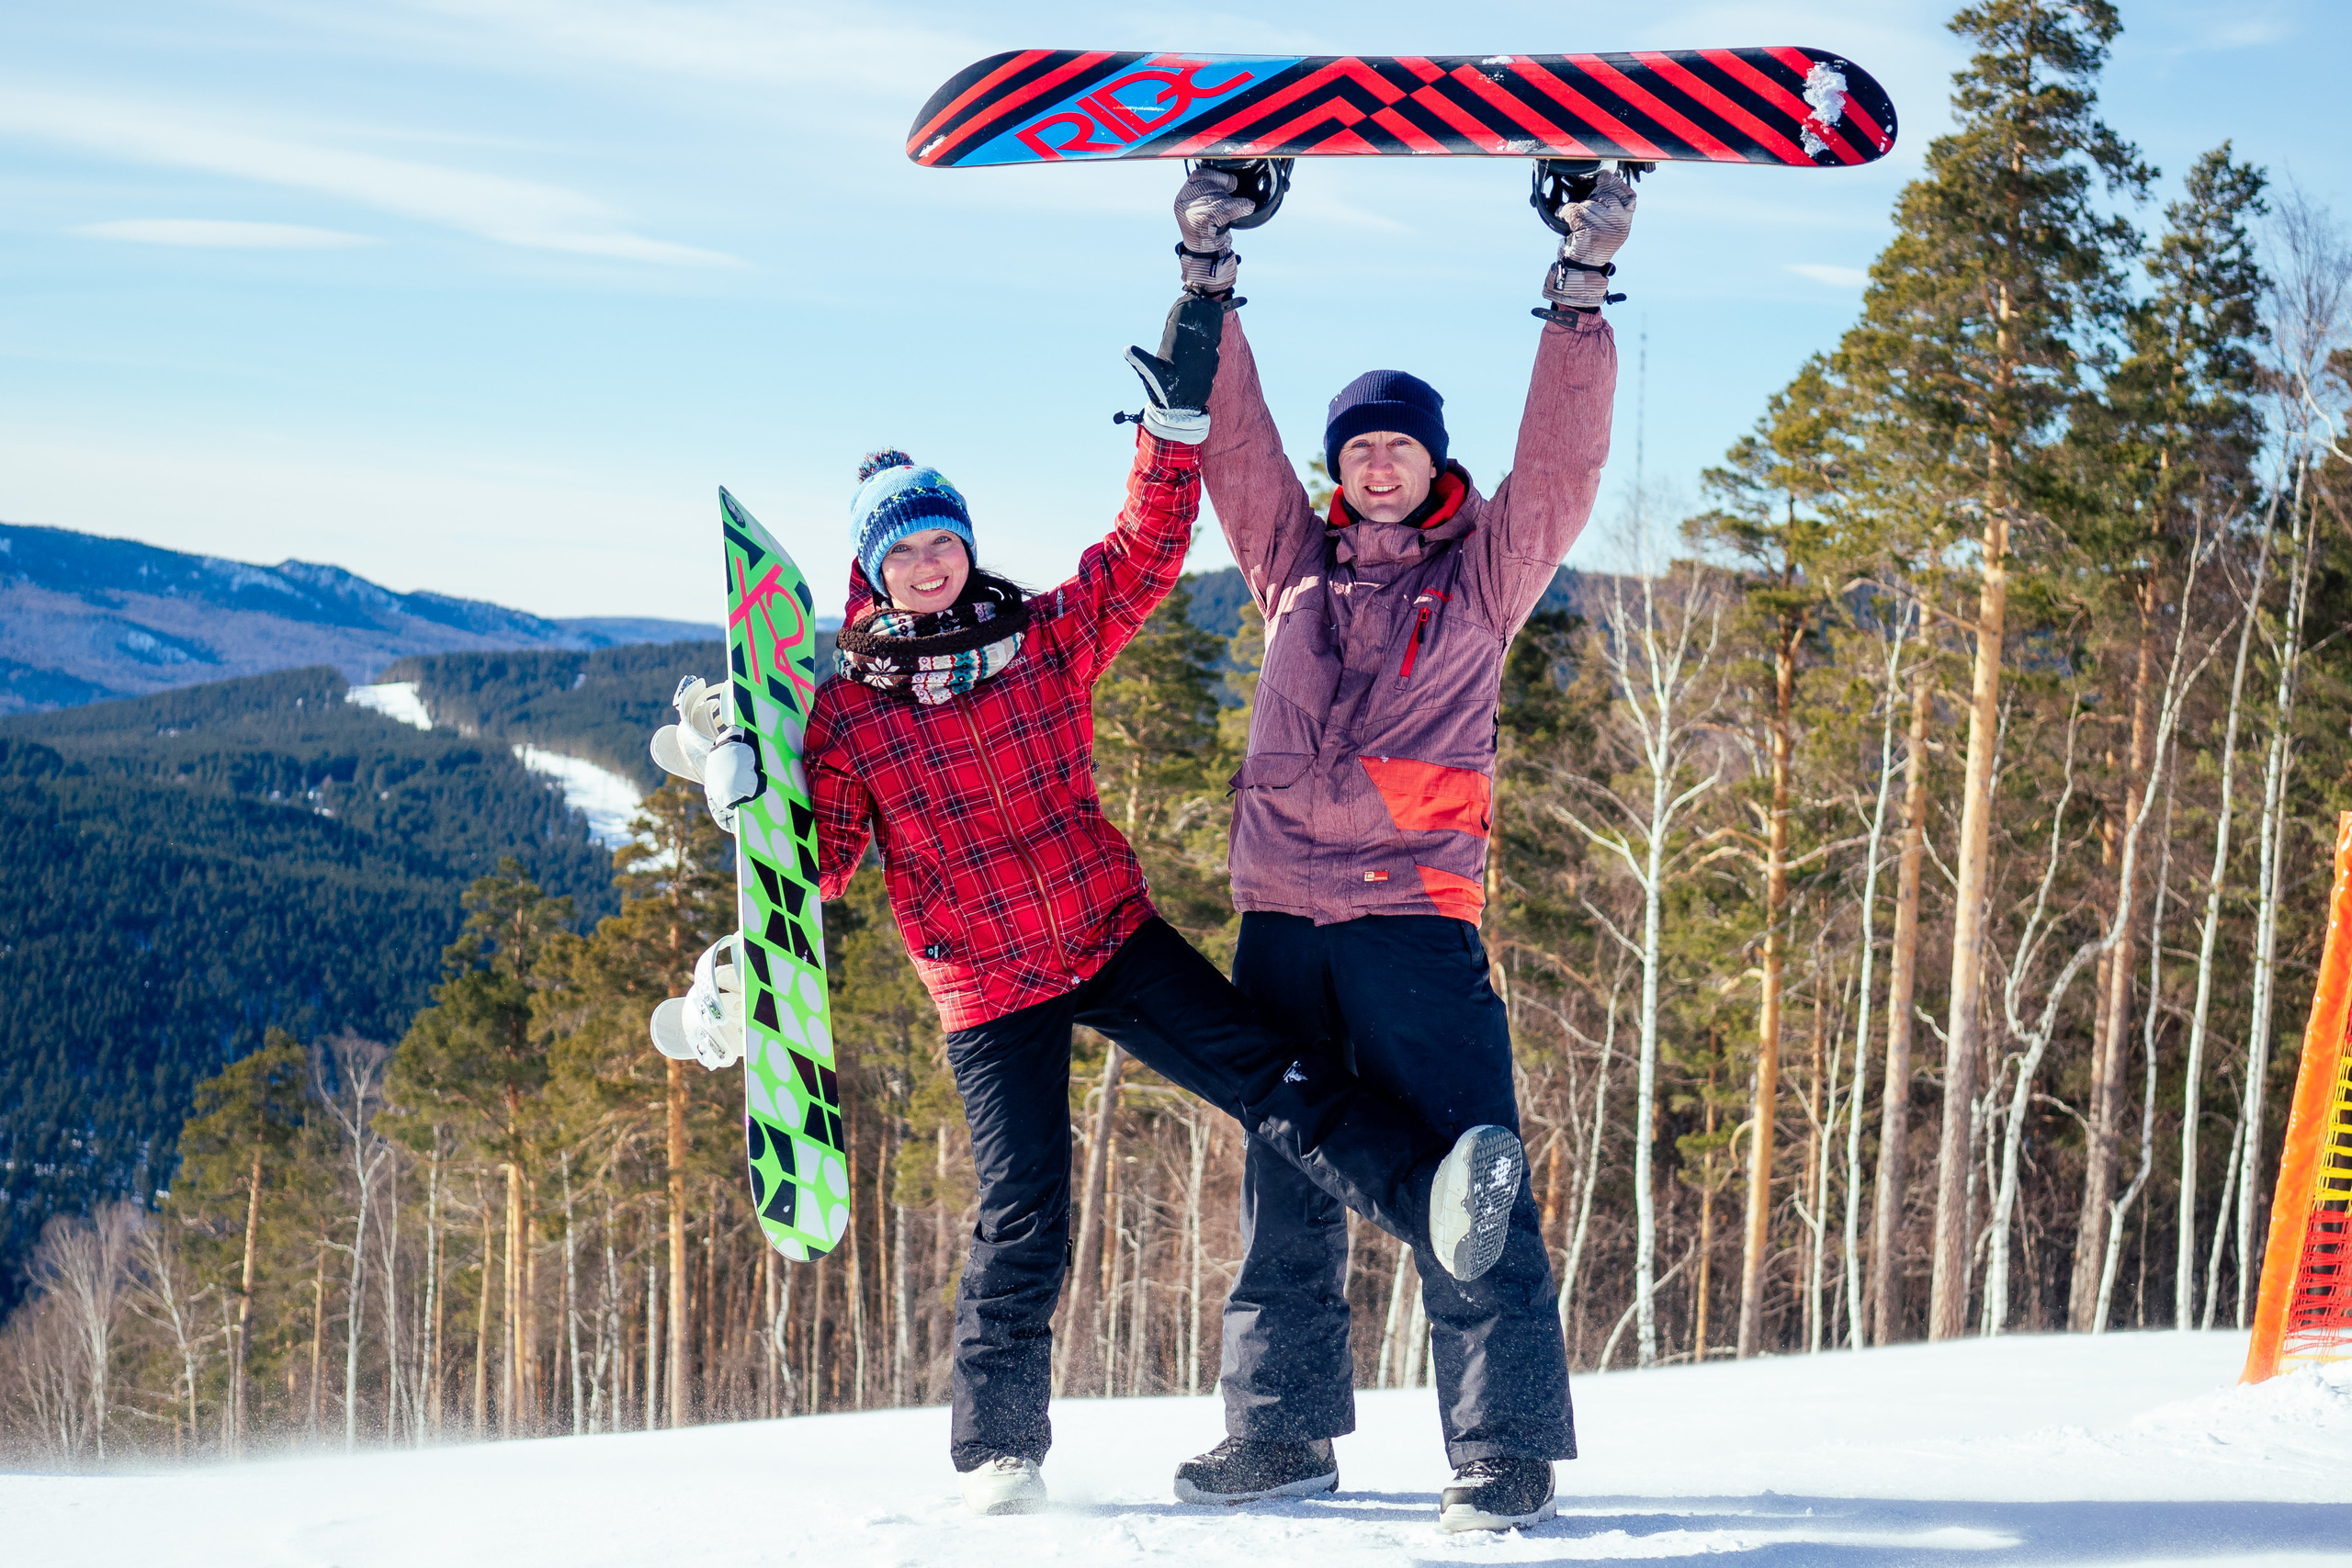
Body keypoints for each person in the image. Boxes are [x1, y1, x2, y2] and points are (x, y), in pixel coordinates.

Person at [787, 298, 1532, 1517]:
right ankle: (998, 1450)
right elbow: (818, 867)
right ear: (871, 576)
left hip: (1101, 930)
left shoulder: (1040, 643)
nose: (930, 566)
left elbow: (1139, 552)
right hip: (986, 982)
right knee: (1025, 1207)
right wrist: (751, 793)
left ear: (965, 547)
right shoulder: (851, 715)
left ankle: (1434, 1201)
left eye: (942, 542)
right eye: (903, 554)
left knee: (1277, 1077)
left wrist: (1171, 432)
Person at [1163, 164, 1634, 1532]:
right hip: (1281, 919)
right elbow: (1229, 445)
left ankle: (1502, 1448)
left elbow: (1564, 463)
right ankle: (1279, 1434)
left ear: (1435, 462)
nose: (1378, 463)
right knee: (1285, 1176)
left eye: (1400, 445)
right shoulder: (1290, 567)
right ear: (1339, 468)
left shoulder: (1484, 577)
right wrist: (1206, 277)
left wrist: (1580, 289)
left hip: (1415, 920)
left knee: (1468, 1168)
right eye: (1357, 447)